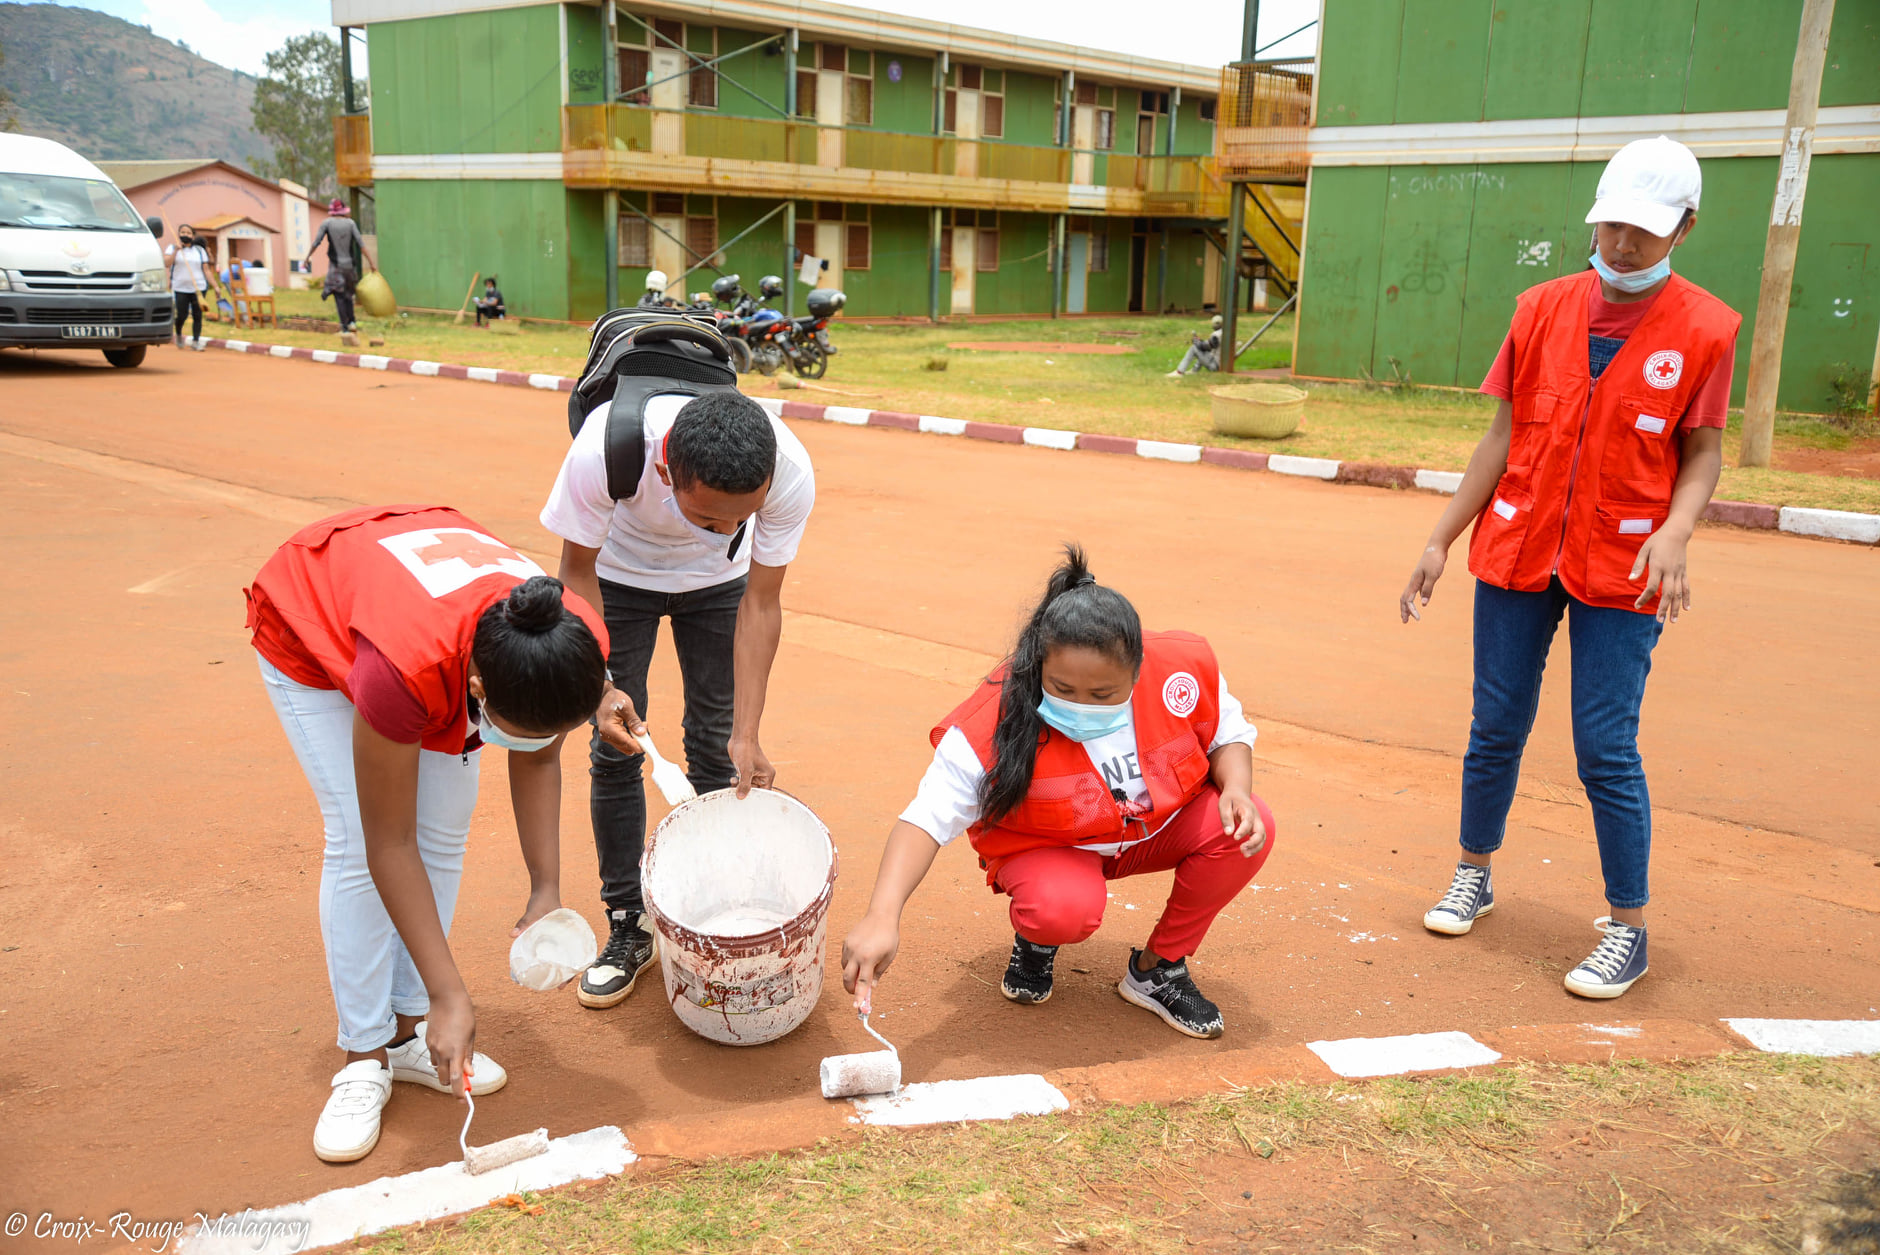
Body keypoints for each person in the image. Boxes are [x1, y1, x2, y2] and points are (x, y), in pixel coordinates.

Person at [1398, 136, 1737, 1000]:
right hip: (1517, 548)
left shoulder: (1704, 328)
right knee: (1495, 723)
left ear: (1684, 229)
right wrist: (1441, 537)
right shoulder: (1541, 307)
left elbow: (1702, 453)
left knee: (1605, 748)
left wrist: (1679, 530)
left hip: (1625, 562)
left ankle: (1628, 928)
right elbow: (1502, 440)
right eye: (1612, 223)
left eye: (1644, 230)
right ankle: (1474, 871)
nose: (1622, 244)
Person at [246, 504, 637, 1163]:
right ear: (477, 687)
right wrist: (449, 991)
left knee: (445, 832)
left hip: (425, 622)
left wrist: (546, 888)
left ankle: (406, 1038)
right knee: (354, 834)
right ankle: (364, 1054)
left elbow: (538, 750)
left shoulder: (567, 638)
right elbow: (387, 842)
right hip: (310, 625)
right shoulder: (405, 671)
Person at [841, 548, 1276, 1039]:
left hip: (1150, 831)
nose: (1080, 705)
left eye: (1103, 694)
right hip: (1048, 848)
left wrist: (1237, 787)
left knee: (1244, 823)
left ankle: (1158, 970)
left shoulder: (1180, 668)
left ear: (1138, 670)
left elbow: (1226, 731)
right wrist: (882, 916)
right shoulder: (991, 719)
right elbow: (925, 819)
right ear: (1038, 665)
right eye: (1062, 687)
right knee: (1060, 908)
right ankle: (1036, 940)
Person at [542, 389, 816, 1010]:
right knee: (616, 747)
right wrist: (602, 682)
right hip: (617, 577)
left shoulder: (791, 471)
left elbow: (762, 601)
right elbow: (575, 570)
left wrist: (747, 730)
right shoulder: (609, 448)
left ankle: (709, 905)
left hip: (722, 588)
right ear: (667, 471)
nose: (727, 530)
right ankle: (628, 923)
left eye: (742, 519)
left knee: (718, 745)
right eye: (711, 519)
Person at [305, 199, 371, 345]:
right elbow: (361, 244)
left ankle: (345, 328)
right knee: (348, 293)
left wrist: (307, 257)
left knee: (338, 295)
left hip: (336, 265)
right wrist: (371, 263)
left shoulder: (327, 223)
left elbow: (317, 242)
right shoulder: (351, 223)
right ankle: (352, 321)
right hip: (350, 266)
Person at [166, 223, 219, 351]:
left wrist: (216, 286)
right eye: (183, 232)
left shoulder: (199, 251)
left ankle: (196, 341)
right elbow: (167, 264)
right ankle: (178, 333)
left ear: (193, 236)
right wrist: (176, 251)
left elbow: (206, 270)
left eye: (188, 233)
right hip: (180, 288)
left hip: (198, 287)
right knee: (182, 314)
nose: (185, 235)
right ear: (178, 234)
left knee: (197, 315)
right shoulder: (172, 248)